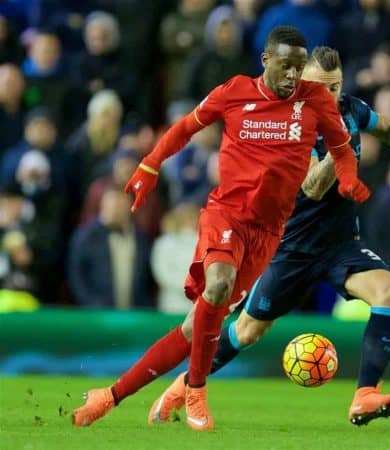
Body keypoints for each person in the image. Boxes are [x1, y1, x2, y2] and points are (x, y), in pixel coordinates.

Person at [72, 26, 371, 431]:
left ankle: (108, 396)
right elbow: (184, 128)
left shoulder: (315, 99)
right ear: (266, 61)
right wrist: (149, 164)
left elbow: (340, 147)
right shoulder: (233, 92)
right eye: (286, 66)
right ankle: (196, 389)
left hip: (267, 234)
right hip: (226, 215)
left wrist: (349, 178)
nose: (293, 77)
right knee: (218, 283)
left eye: (300, 69)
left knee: (194, 327)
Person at [148, 46, 390, 427]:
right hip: (291, 249)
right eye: (320, 87)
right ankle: (182, 386)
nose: (328, 95)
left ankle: (364, 395)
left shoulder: (352, 110)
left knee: (388, 293)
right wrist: (338, 147)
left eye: (335, 87)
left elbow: (385, 124)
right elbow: (312, 186)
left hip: (341, 245)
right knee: (247, 331)